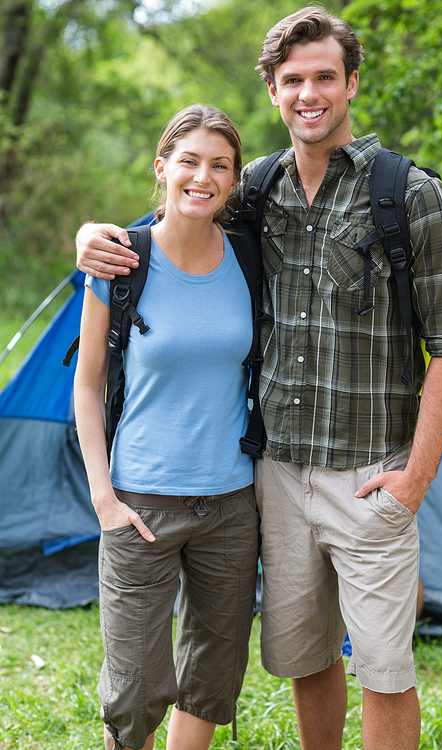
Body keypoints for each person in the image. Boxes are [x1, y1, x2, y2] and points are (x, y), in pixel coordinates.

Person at [75, 7, 442, 750]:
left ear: (352, 82)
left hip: (370, 474)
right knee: (306, 658)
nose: (309, 93)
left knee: (384, 669)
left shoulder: (412, 196)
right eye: (293, 79)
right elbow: (177, 222)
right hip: (277, 476)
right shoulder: (259, 188)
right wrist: (91, 238)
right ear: (273, 91)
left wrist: (415, 479)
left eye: (326, 76)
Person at [73, 104, 260, 750]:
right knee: (134, 688)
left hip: (233, 504)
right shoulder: (122, 262)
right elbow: (87, 385)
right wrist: (104, 496)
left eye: (220, 166)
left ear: (235, 180)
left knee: (211, 672)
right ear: (162, 167)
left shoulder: (250, 260)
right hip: (141, 501)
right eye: (189, 161)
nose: (202, 177)